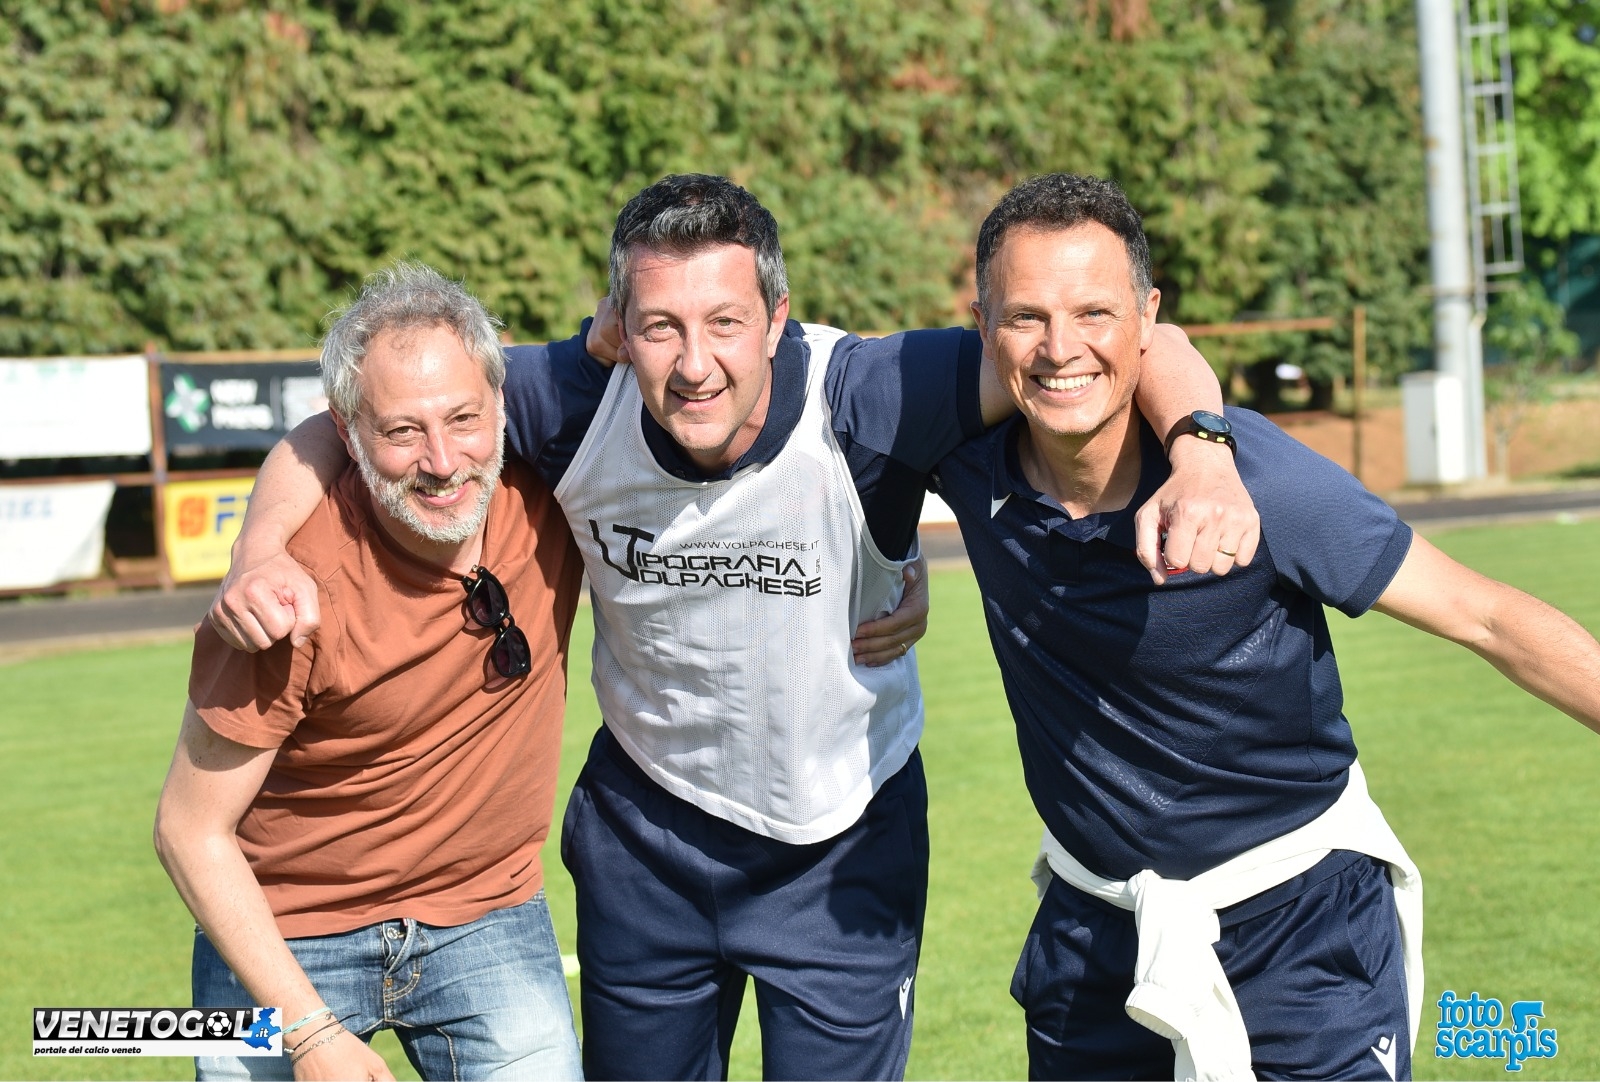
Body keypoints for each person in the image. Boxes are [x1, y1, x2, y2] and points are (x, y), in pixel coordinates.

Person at [209, 173, 1256, 1080]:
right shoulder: (568, 400)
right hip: (647, 847)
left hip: (843, 840)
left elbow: (1118, 345)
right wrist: (260, 551)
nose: (694, 361)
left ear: (777, 317)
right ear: (617, 328)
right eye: (660, 326)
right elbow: (346, 420)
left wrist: (1203, 450)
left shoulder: (870, 393)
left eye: (723, 322)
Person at [929, 172, 1600, 1081]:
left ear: (1146, 318)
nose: (1060, 348)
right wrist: (890, 572)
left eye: (1095, 313)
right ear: (981, 325)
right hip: (1094, 937)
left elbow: (1488, 618)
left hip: (1304, 927)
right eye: (1025, 317)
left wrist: (1204, 455)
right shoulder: (964, 455)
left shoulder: (1262, 483)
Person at [153, 264, 589, 1081]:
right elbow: (187, 829)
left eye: (463, 419)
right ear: (349, 435)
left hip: (485, 914)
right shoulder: (283, 592)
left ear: (502, 405)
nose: (443, 460)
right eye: (402, 432)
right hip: (287, 930)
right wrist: (309, 1033)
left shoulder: (558, 492)